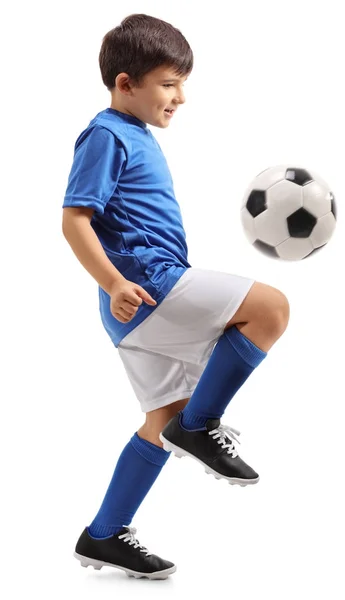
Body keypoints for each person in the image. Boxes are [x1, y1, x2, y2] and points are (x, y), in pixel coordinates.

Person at [62, 13, 290, 580]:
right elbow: (73, 220)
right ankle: (200, 423)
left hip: (137, 304)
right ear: (124, 83)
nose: (180, 97)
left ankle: (104, 535)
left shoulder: (133, 134)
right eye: (169, 83)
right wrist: (114, 281)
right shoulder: (106, 133)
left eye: (182, 84)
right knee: (271, 307)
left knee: (158, 418)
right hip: (146, 286)